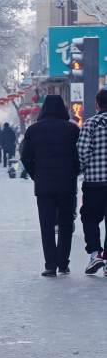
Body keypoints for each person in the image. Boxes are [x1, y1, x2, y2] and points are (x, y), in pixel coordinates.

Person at [21, 95, 79, 277]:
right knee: (66, 223)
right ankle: (63, 263)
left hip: (44, 184)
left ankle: (50, 265)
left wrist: (35, 174)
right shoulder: (71, 129)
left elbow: (25, 156)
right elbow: (79, 154)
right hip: (67, 184)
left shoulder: (33, 130)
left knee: (46, 224)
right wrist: (74, 172)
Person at [77, 89, 107, 276]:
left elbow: (82, 152)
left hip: (94, 182)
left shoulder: (91, 124)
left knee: (89, 218)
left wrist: (83, 168)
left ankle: (95, 254)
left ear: (97, 104)